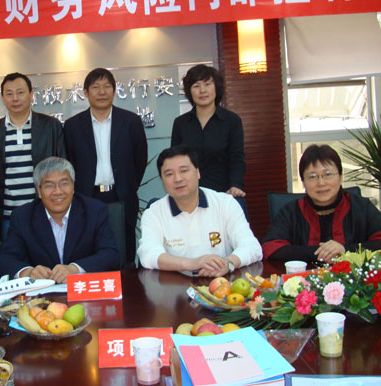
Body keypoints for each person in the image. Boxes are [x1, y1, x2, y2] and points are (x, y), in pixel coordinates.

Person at [64, 68, 147, 265]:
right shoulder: (72, 126)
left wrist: (128, 186)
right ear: (85, 92)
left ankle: (127, 283)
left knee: (124, 250)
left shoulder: (131, 121)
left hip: (121, 196)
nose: (102, 92)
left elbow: (140, 159)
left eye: (107, 86)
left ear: (114, 90)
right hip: (86, 197)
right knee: (88, 250)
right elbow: (68, 162)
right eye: (96, 87)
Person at [137, 145, 262, 276]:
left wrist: (228, 263)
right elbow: (148, 254)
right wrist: (192, 264)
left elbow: (252, 247)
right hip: (175, 285)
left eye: (184, 171)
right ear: (162, 180)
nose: (178, 179)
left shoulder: (225, 203)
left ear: (197, 173)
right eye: (169, 174)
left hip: (220, 283)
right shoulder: (154, 213)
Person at [0, 157, 120, 283]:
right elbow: (4, 259)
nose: (58, 192)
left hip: (82, 289)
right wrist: (28, 272)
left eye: (64, 183)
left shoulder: (94, 211)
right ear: (39, 191)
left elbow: (110, 254)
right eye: (49, 185)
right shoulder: (23, 217)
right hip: (42, 292)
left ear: (73, 185)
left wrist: (75, 269)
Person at [0, 72, 66, 238]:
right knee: (12, 254)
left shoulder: (51, 127)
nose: (15, 99)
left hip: (45, 212)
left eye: (20, 92)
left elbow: (63, 171)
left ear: (31, 95)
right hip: (8, 216)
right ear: (2, 98)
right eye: (9, 94)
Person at [263, 144, 381, 263]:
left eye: (328, 174)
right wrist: (322, 253)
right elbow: (271, 248)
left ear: (340, 177)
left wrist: (345, 250)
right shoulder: (290, 211)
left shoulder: (362, 207)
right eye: (312, 177)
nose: (321, 183)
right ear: (303, 181)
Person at [170, 64, 246, 212]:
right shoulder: (180, 123)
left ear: (216, 88)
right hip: (189, 195)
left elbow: (237, 158)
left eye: (207, 84)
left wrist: (235, 185)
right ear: (189, 91)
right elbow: (175, 161)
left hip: (223, 194)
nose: (202, 90)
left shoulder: (232, 121)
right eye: (196, 86)